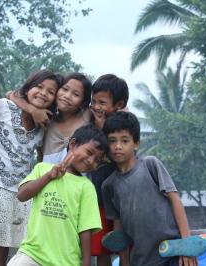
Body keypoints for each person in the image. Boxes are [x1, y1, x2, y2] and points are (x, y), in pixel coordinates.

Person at [0, 70, 62, 266]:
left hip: (25, 193)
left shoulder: (46, 125)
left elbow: (41, 160)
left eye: (50, 91)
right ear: (28, 88)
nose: (43, 93)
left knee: (25, 251)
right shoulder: (3, 107)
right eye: (39, 87)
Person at [101, 112, 198, 266]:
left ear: (136, 143)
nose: (117, 146)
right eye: (112, 141)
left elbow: (175, 200)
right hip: (141, 260)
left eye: (124, 140)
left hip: (172, 253)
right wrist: (124, 262)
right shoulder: (109, 186)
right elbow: (119, 229)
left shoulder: (150, 165)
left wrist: (187, 245)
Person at [7, 124, 108, 266]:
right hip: (32, 255)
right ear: (72, 144)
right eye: (89, 153)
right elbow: (22, 195)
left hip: (66, 262)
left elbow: (85, 230)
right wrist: (49, 176)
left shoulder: (87, 187)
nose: (91, 161)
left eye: (97, 160)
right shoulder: (42, 169)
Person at [88, 74, 130, 266]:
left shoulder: (124, 125)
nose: (96, 106)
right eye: (93, 101)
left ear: (119, 104)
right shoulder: (92, 120)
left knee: (123, 246)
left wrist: (101, 127)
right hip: (98, 198)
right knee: (100, 248)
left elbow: (115, 151)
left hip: (120, 197)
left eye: (102, 102)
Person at [9, 72, 92, 163]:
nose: (67, 96)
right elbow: (11, 94)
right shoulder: (45, 119)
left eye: (76, 94)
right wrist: (32, 110)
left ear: (83, 102)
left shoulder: (87, 115)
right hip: (47, 175)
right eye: (65, 89)